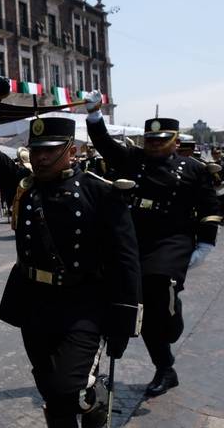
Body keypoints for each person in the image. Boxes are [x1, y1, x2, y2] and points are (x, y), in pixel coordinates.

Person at [0, 97, 143, 428]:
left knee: (67, 388)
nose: (42, 156)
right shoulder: (23, 187)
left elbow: (126, 261)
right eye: (36, 150)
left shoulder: (101, 192)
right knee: (50, 389)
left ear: (72, 151)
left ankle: (92, 403)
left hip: (83, 304)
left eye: (50, 149)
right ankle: (84, 405)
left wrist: (124, 322)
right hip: (33, 301)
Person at [85, 93, 221, 398]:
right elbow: (105, 144)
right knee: (138, 307)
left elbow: (210, 206)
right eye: (151, 140)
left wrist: (206, 243)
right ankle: (165, 368)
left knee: (157, 287)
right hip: (134, 239)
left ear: (174, 140)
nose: (155, 145)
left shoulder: (193, 168)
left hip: (172, 241)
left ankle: (172, 312)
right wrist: (94, 116)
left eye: (161, 140)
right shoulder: (133, 160)